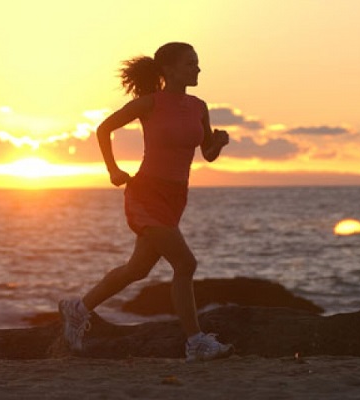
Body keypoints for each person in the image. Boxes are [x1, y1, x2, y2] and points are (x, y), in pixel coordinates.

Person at [59, 42, 233, 362]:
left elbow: (206, 153)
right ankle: (195, 342)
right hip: (146, 194)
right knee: (185, 264)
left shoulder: (199, 106)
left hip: (176, 197)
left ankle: (78, 309)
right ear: (168, 69)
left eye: (197, 63)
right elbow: (104, 128)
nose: (197, 69)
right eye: (190, 63)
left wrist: (219, 143)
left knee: (137, 269)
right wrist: (112, 169)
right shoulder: (149, 103)